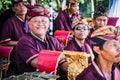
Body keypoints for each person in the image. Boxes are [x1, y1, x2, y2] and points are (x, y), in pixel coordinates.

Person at [7, 5, 68, 79]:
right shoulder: (24, 41)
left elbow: (63, 63)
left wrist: (71, 68)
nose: (40, 24)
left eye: (44, 21)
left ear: (48, 23)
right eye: (36, 21)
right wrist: (62, 56)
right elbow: (38, 63)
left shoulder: (53, 40)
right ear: (28, 23)